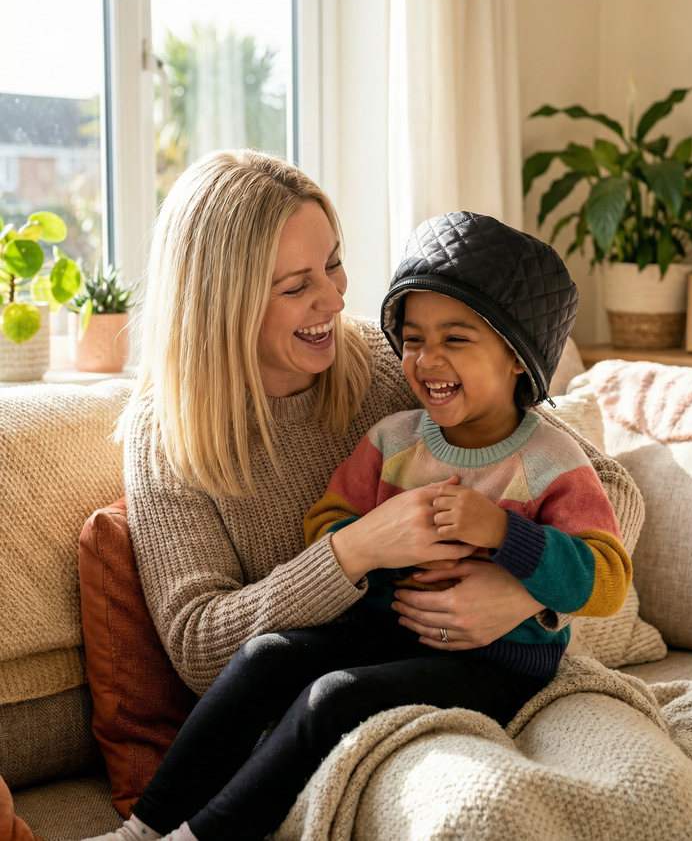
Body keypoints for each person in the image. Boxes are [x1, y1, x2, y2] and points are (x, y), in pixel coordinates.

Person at [87, 156, 636, 841]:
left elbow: (602, 486)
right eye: (298, 286)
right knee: (284, 670)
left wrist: (521, 587)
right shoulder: (170, 435)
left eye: (335, 264)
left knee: (342, 703)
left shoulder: (391, 365)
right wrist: (358, 547)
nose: (337, 299)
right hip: (365, 649)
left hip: (481, 661)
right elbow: (203, 649)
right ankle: (142, 833)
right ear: (226, 302)